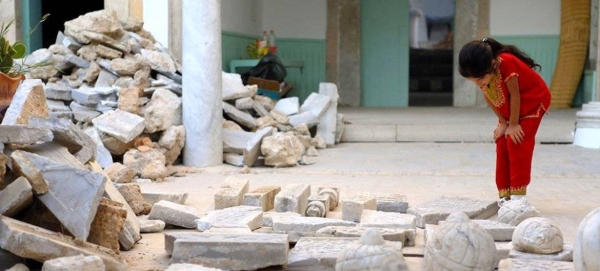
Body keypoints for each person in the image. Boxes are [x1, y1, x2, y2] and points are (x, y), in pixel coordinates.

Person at [458, 37, 552, 204]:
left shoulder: (506, 62)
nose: (478, 84)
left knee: (517, 141)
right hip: (510, 109)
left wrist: (514, 124)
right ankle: (504, 196)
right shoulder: (481, 73)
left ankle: (518, 197)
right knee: (502, 141)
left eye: (479, 80)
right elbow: (489, 98)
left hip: (532, 102)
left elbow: (515, 95)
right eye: (475, 82)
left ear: (493, 65)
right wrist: (503, 122)